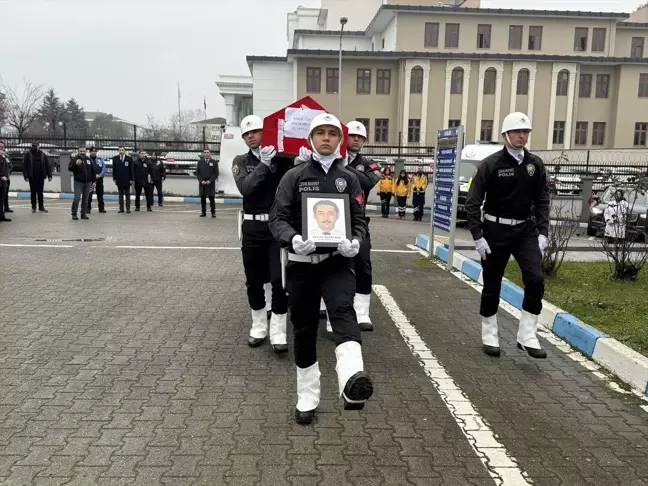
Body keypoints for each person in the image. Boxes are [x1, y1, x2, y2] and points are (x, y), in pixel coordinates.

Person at [269, 112, 372, 425]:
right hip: (302, 265)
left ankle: (352, 381)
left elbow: (358, 219)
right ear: (311, 139)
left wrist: (355, 240)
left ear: (339, 140)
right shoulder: (294, 176)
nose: (326, 138)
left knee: (343, 312)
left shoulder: (349, 177)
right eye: (320, 133)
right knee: (304, 331)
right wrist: (293, 238)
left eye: (332, 133)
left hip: (337, 263)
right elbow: (277, 219)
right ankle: (307, 396)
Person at [465, 112, 550, 360]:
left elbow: (542, 199)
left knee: (535, 279)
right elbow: (473, 202)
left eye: (525, 132)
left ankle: (527, 335)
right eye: (516, 132)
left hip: (525, 231)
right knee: (492, 285)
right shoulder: (491, 164)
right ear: (505, 135)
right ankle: (489, 335)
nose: (522, 136)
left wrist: (543, 231)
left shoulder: (535, 164)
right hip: (495, 231)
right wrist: (478, 236)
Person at [233, 114, 293, 353]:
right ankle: (259, 326)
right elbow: (245, 188)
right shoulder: (241, 160)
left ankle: (279, 331)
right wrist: (263, 165)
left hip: (276, 227)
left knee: (279, 280)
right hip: (251, 227)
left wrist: (300, 161)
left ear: (264, 132)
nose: (250, 137)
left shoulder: (282, 159)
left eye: (255, 132)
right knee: (254, 280)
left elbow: (293, 182)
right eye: (246, 134)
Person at [22, 142, 52, 213]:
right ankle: (34, 207)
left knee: (40, 192)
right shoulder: (28, 154)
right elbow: (24, 166)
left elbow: (48, 165)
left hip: (41, 176)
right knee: (33, 192)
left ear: (39, 146)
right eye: (33, 146)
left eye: (36, 146)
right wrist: (25, 176)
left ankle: (41, 207)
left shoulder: (42, 154)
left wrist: (49, 175)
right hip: (32, 176)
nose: (34, 147)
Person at [69, 147, 96, 220]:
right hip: (78, 182)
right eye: (80, 151)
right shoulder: (75, 159)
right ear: (78, 151)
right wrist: (75, 164)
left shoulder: (89, 160)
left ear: (86, 151)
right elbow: (70, 168)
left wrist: (94, 182)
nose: (82, 152)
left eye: (83, 151)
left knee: (85, 199)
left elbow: (93, 171)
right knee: (77, 198)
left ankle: (83, 213)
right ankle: (74, 214)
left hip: (88, 183)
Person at [196, 149, 218, 217]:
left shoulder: (214, 162)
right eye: (205, 152)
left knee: (211, 198)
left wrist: (210, 181)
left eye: (207, 152)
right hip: (202, 183)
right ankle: (203, 212)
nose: (206, 153)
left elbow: (216, 173)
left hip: (210, 184)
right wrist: (201, 180)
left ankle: (213, 212)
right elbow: (197, 173)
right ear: (203, 154)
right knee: (203, 198)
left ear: (210, 153)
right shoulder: (200, 162)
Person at [112, 146, 134, 213]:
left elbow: (131, 170)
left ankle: (128, 208)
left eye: (122, 150)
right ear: (118, 151)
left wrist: (131, 179)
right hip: (119, 179)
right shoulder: (115, 158)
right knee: (120, 195)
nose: (121, 151)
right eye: (120, 150)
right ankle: (121, 208)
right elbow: (114, 169)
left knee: (127, 194)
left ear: (125, 151)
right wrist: (114, 178)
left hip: (127, 180)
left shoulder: (129, 158)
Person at [87, 147, 106, 214]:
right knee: (89, 194)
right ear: (89, 152)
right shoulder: (87, 160)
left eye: (95, 151)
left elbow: (103, 168)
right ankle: (88, 208)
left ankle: (101, 208)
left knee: (100, 194)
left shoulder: (100, 160)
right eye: (92, 151)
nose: (94, 152)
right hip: (91, 180)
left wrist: (100, 175)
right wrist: (93, 176)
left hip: (99, 179)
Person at [0, 141, 11, 223]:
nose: (2, 148)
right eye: (0, 147)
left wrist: (6, 176)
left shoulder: (4, 156)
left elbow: (8, 167)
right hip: (1, 180)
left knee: (2, 199)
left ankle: (2, 215)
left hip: (4, 182)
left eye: (3, 147)